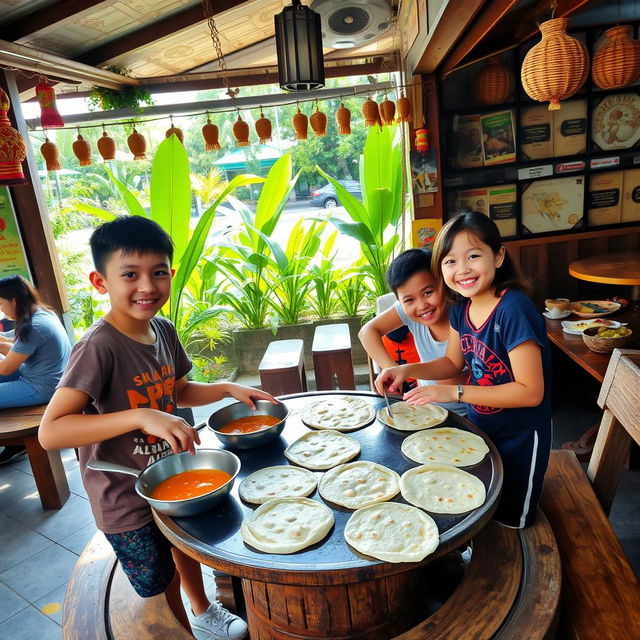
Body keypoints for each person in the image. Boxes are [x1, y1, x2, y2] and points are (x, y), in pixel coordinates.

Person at [39, 216, 276, 640]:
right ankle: (180, 628)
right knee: (158, 580)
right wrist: (140, 415)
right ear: (100, 281)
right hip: (123, 496)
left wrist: (224, 388)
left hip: (175, 476)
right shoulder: (98, 347)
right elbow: (51, 432)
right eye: (130, 274)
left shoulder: (162, 330)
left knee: (184, 549)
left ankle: (203, 611)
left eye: (159, 272)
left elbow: (179, 390)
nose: (147, 286)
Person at [375, 212, 551, 529]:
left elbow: (530, 391)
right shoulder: (463, 309)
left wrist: (454, 392)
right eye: (450, 261)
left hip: (521, 434)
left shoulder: (514, 309)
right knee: (482, 509)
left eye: (473, 256)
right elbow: (452, 363)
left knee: (513, 520)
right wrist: (406, 369)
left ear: (498, 256)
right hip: (482, 425)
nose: (462, 269)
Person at [358, 248, 466, 415]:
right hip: (425, 410)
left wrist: (406, 370)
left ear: (443, 282)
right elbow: (367, 331)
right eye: (409, 300)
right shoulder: (410, 311)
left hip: (465, 414)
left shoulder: (464, 315)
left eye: (428, 292)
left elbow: (450, 374)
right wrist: (391, 369)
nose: (422, 305)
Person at [0, 275, 71, 465]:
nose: (0, 309)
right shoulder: (43, 313)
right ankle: (15, 445)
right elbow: (18, 348)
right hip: (48, 377)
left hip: (40, 387)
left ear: (14, 300)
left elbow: (7, 368)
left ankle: (15, 442)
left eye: (0, 304)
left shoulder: (34, 327)